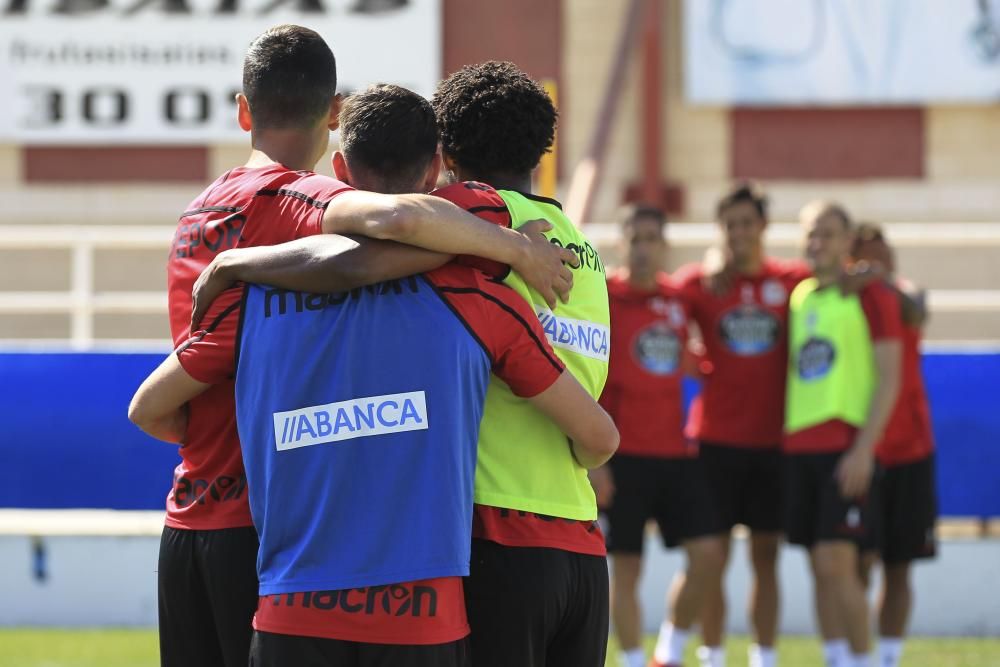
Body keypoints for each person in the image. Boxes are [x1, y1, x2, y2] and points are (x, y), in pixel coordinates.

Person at [131, 81, 620, 666]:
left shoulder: (266, 299)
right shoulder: (551, 258)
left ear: (342, 172)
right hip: (543, 548)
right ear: (433, 168)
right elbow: (599, 437)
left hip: (398, 562)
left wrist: (236, 263)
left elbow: (378, 242)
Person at [673, 184, 809, 667]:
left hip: (773, 444)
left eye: (747, 223)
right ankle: (711, 655)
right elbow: (658, 313)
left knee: (766, 557)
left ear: (763, 227)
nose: (739, 233)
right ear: (721, 230)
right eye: (730, 225)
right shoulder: (702, 284)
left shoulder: (792, 281)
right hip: (714, 443)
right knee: (711, 558)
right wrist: (693, 363)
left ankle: (763, 657)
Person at [593, 204, 725, 667]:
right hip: (621, 454)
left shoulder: (679, 298)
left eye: (652, 239)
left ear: (664, 245)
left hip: (675, 453)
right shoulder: (603, 295)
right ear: (621, 243)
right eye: (636, 239)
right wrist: (595, 462)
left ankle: (668, 652)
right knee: (626, 567)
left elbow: (712, 292)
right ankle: (632, 659)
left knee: (709, 553)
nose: (643, 248)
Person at [784, 202, 903, 667]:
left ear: (849, 240)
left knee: (839, 561)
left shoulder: (871, 295)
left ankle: (862, 660)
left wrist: (864, 449)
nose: (818, 243)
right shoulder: (799, 294)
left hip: (845, 448)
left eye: (829, 234)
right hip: (799, 446)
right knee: (819, 565)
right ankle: (836, 658)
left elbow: (889, 377)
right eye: (811, 233)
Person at [851, 223, 937, 667]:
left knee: (900, 564)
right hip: (862, 451)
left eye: (883, 255)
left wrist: (879, 280)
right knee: (857, 564)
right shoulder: (847, 301)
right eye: (868, 256)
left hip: (911, 450)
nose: (878, 263)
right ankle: (858, 654)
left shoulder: (902, 293)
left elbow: (916, 309)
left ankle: (889, 659)